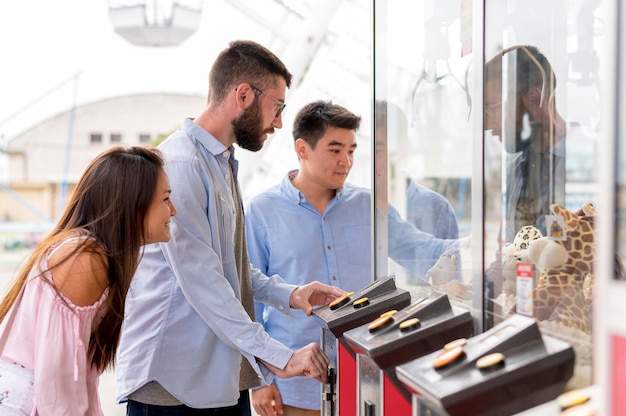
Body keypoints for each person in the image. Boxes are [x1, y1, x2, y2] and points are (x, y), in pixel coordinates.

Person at [115, 40, 345, 416]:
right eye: (278, 106)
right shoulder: (183, 165)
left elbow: (228, 267)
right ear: (243, 94)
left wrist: (292, 294)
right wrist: (280, 357)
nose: (279, 122)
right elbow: (203, 281)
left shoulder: (221, 163)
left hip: (219, 376)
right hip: (175, 387)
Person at [245, 100, 459, 416]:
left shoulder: (367, 205)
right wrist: (259, 380)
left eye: (352, 150)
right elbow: (251, 302)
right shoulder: (262, 211)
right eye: (335, 150)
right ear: (302, 149)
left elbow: (420, 248)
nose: (346, 161)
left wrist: (476, 250)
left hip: (365, 378)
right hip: (295, 387)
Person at [0, 145, 175, 415]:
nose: (172, 211)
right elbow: (58, 387)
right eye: (165, 199)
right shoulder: (84, 259)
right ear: (133, 204)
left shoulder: (97, 255)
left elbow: (76, 381)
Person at [484, 45, 566, 242]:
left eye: (491, 109)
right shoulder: (516, 170)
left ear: (533, 98)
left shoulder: (589, 167)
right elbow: (509, 252)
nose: (486, 125)